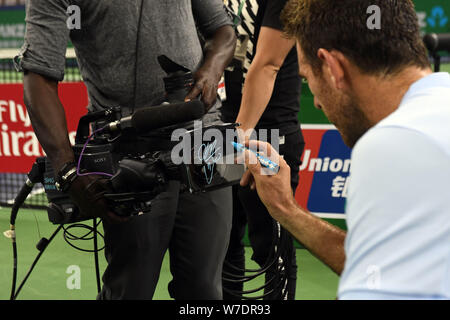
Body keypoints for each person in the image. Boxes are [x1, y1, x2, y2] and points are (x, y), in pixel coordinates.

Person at [16, 0, 236, 299]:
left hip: (204, 139)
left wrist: (210, 70)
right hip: (127, 151)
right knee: (130, 288)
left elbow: (222, 30)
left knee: (204, 290)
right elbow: (38, 77)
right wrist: (68, 169)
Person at [240, 0, 450, 299]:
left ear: (332, 67)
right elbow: (381, 267)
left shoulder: (396, 143)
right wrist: (285, 207)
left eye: (307, 78)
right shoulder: (439, 106)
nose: (315, 101)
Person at [221, 0, 304, 300]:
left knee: (271, 251)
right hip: (224, 132)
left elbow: (268, 64)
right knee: (221, 247)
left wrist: (236, 139)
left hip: (270, 137)